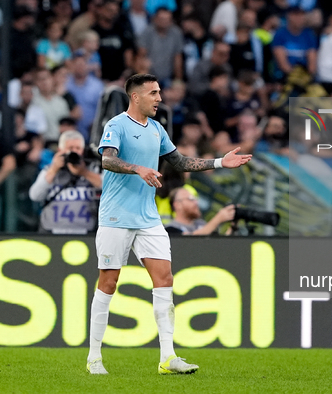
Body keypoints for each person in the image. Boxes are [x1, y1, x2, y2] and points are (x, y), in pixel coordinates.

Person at [87, 73, 251, 375]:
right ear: (136, 97)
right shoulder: (116, 125)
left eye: (159, 92)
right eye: (154, 93)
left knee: (164, 280)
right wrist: (137, 167)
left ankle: (167, 358)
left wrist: (218, 162)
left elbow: (179, 162)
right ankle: (94, 358)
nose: (159, 98)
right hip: (115, 217)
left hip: (148, 218)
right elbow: (107, 160)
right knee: (108, 283)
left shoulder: (158, 128)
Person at [29, 130, 102, 233]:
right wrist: (54, 169)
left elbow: (107, 187)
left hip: (86, 232)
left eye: (78, 148)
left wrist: (84, 172)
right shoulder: (50, 170)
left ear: (83, 150)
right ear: (60, 150)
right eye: (70, 148)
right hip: (52, 232)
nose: (74, 152)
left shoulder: (92, 168)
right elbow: (35, 195)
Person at [165, 186, 235, 235]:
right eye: (191, 199)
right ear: (177, 205)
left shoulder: (201, 224)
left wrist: (233, 227)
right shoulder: (170, 229)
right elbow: (188, 241)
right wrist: (218, 219)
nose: (196, 202)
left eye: (196, 199)